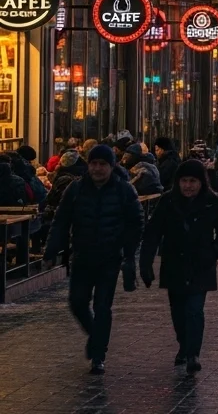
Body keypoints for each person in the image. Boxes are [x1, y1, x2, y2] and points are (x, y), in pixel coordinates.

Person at [43, 144, 144, 374]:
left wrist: (128, 252)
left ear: (111, 166)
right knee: (77, 302)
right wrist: (51, 251)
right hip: (82, 255)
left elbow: (136, 222)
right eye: (94, 164)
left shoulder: (123, 190)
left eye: (102, 164)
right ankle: (95, 336)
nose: (97, 169)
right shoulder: (76, 189)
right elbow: (61, 221)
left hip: (109, 257)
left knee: (102, 307)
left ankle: (99, 355)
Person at [140, 159, 218, 375]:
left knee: (194, 310)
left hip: (201, 265)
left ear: (202, 182)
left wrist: (214, 252)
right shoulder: (167, 202)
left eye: (193, 181)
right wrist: (145, 263)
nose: (188, 186)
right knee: (178, 311)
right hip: (174, 263)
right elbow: (153, 233)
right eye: (184, 181)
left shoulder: (212, 202)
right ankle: (183, 345)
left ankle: (193, 354)